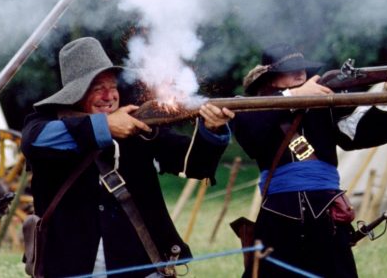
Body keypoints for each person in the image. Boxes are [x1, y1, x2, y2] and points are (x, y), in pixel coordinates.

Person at [20, 36, 234, 278]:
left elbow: (194, 163)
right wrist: (106, 127)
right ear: (75, 94)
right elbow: (33, 141)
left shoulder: (137, 126)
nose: (109, 95)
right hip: (70, 263)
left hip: (138, 261)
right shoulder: (44, 123)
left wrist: (212, 129)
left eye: (112, 87)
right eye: (97, 88)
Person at [231, 43, 387, 278]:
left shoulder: (324, 104)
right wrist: (293, 96)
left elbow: (360, 133)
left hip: (325, 213)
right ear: (272, 79)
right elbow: (248, 134)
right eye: (290, 69)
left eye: (302, 68)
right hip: (278, 215)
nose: (300, 73)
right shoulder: (256, 108)